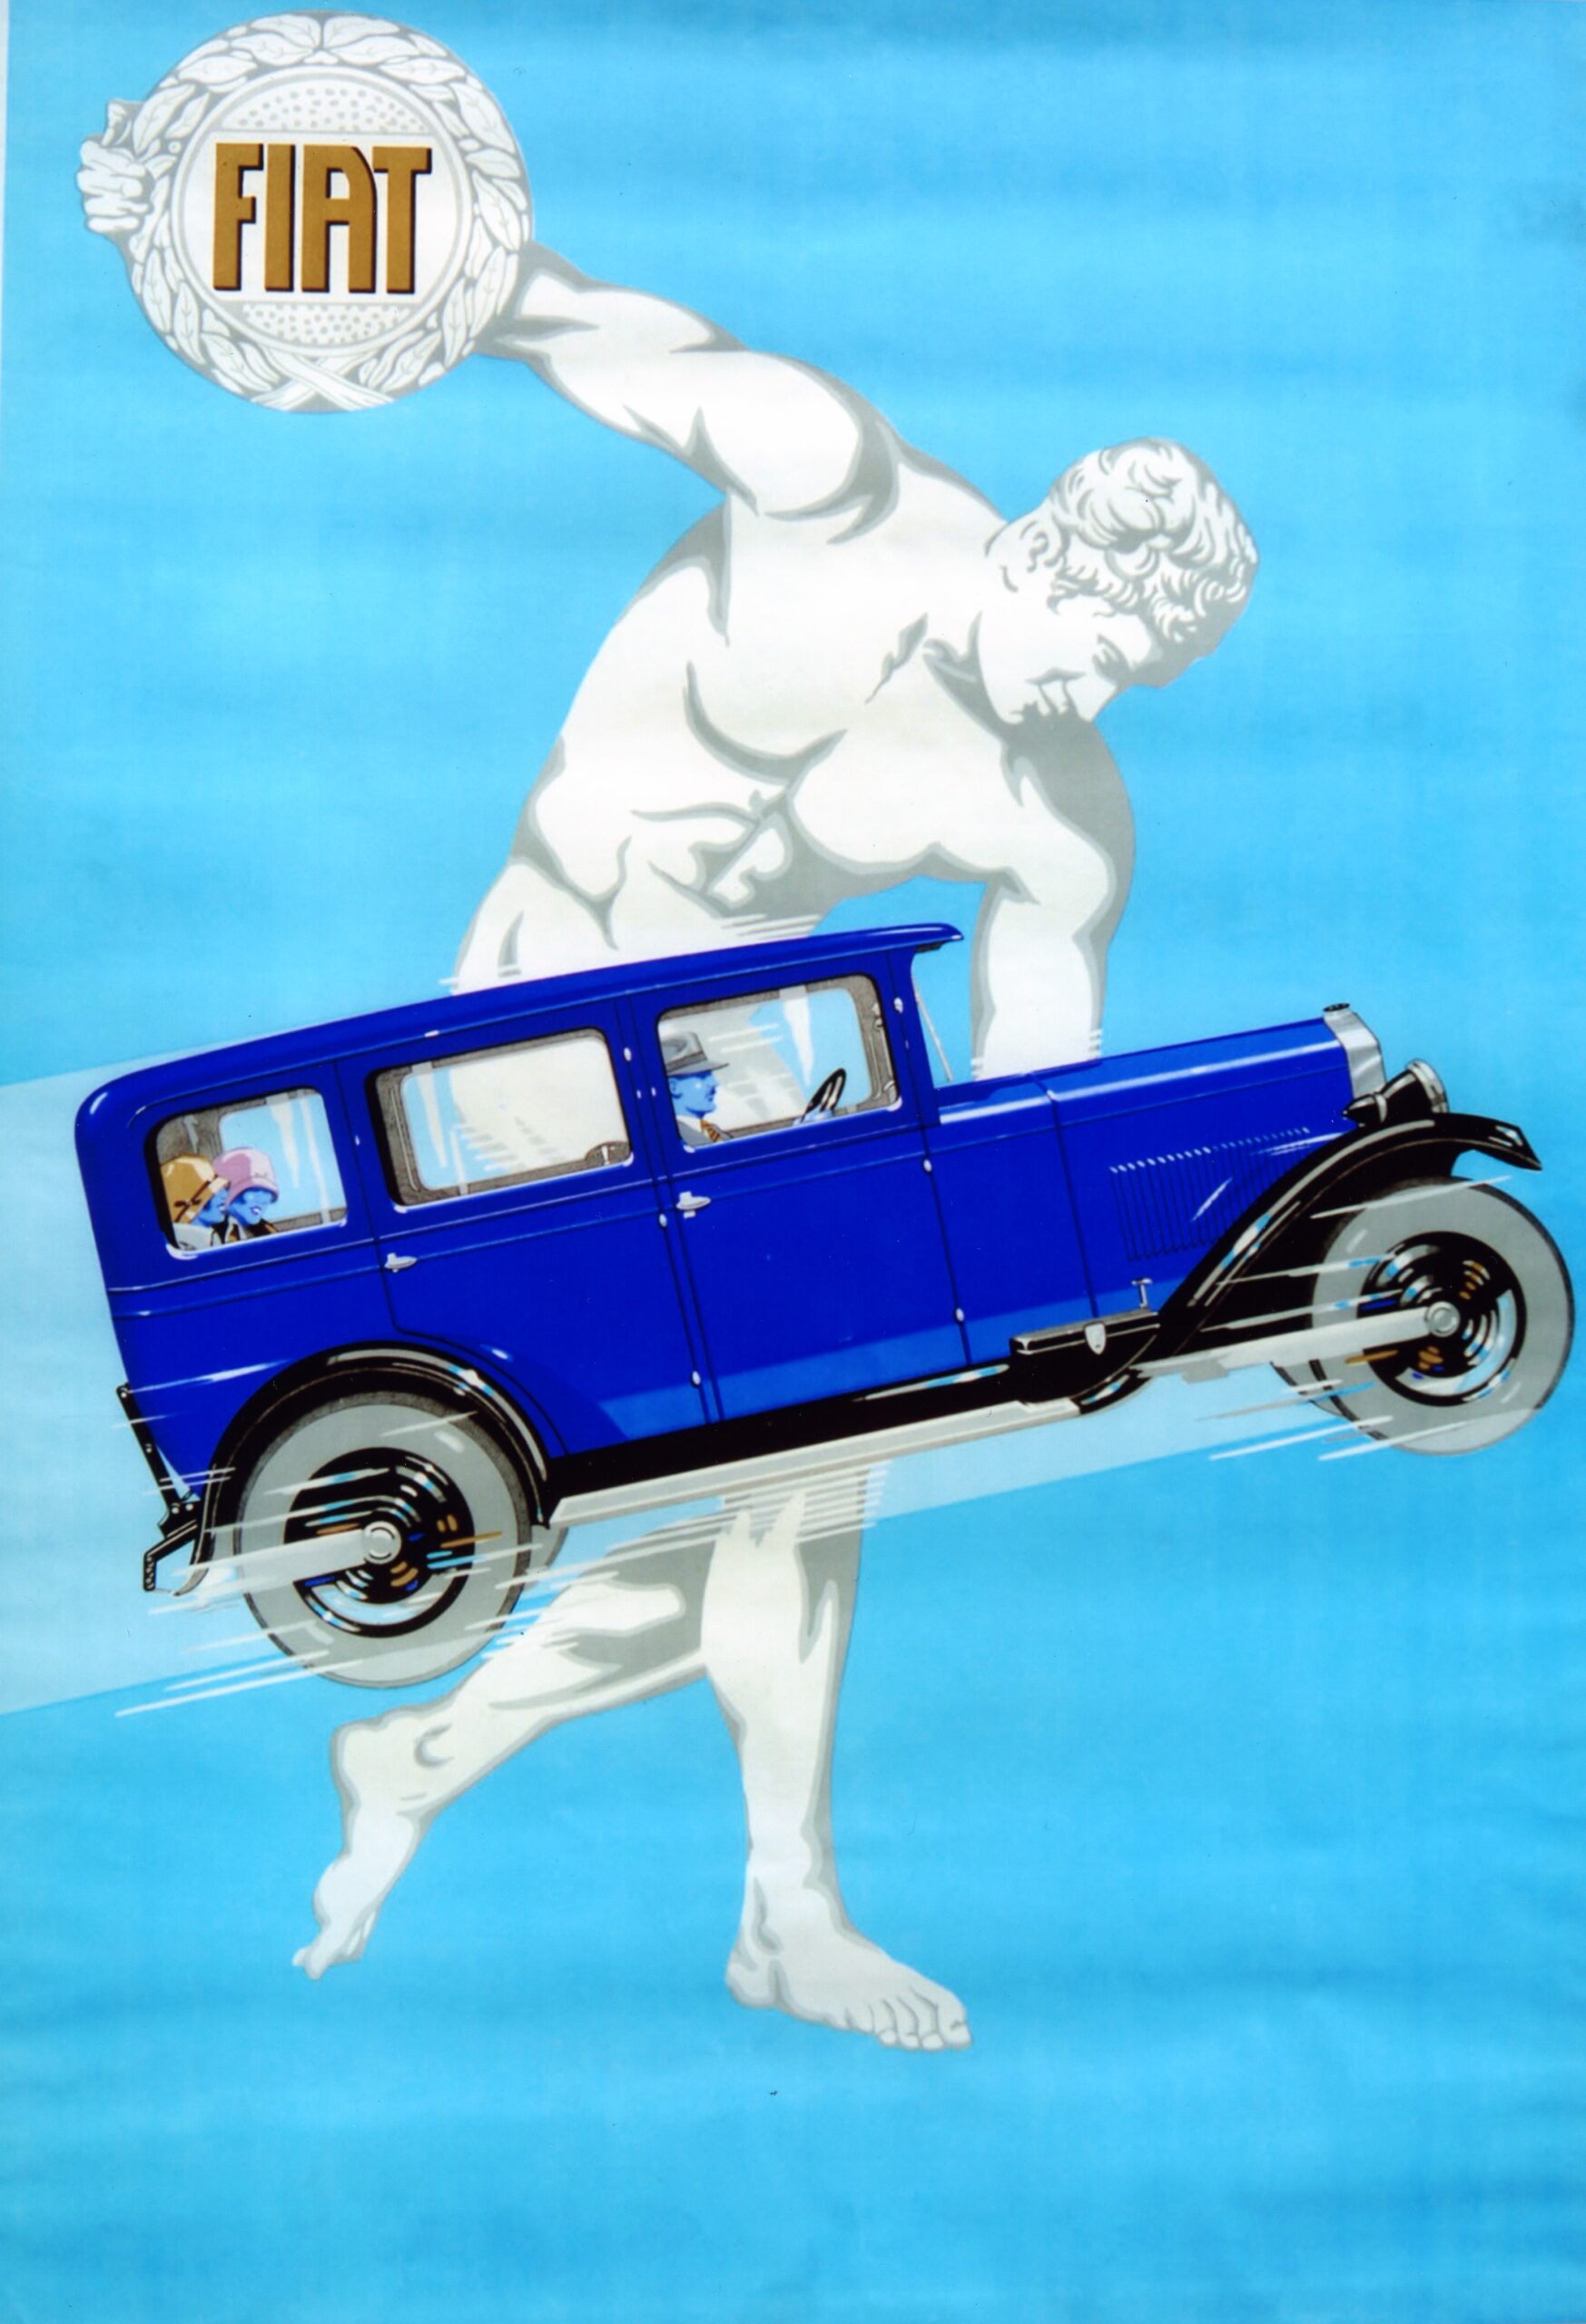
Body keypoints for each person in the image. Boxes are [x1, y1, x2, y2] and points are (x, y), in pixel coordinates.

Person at [298, 241, 1257, 2052]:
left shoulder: (1057, 813)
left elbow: (1032, 1091)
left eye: (1131, 687)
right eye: (1099, 656)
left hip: (718, 1079)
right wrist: (367, 261)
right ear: (1053, 556)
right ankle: (757, 1900)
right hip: (534, 1006)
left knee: (804, 1471)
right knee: (786, 1480)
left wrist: (1094, 1296)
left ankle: (470, 1780)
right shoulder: (829, 480)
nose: (1092, 703)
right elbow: (544, 308)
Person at [663, 1031, 727, 1145]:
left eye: (710, 1075)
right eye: (702, 1077)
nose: (714, 1083)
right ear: (674, 1087)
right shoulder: (675, 1139)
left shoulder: (713, 1131)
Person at [160, 1153, 229, 1250]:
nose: (225, 1195)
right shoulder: (189, 1248)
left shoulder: (208, 1240)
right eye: (215, 1191)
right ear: (188, 1204)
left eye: (222, 1188)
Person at [213, 1147, 278, 1239]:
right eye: (252, 1190)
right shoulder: (212, 1235)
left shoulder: (268, 1231)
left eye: (266, 1191)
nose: (261, 1199)